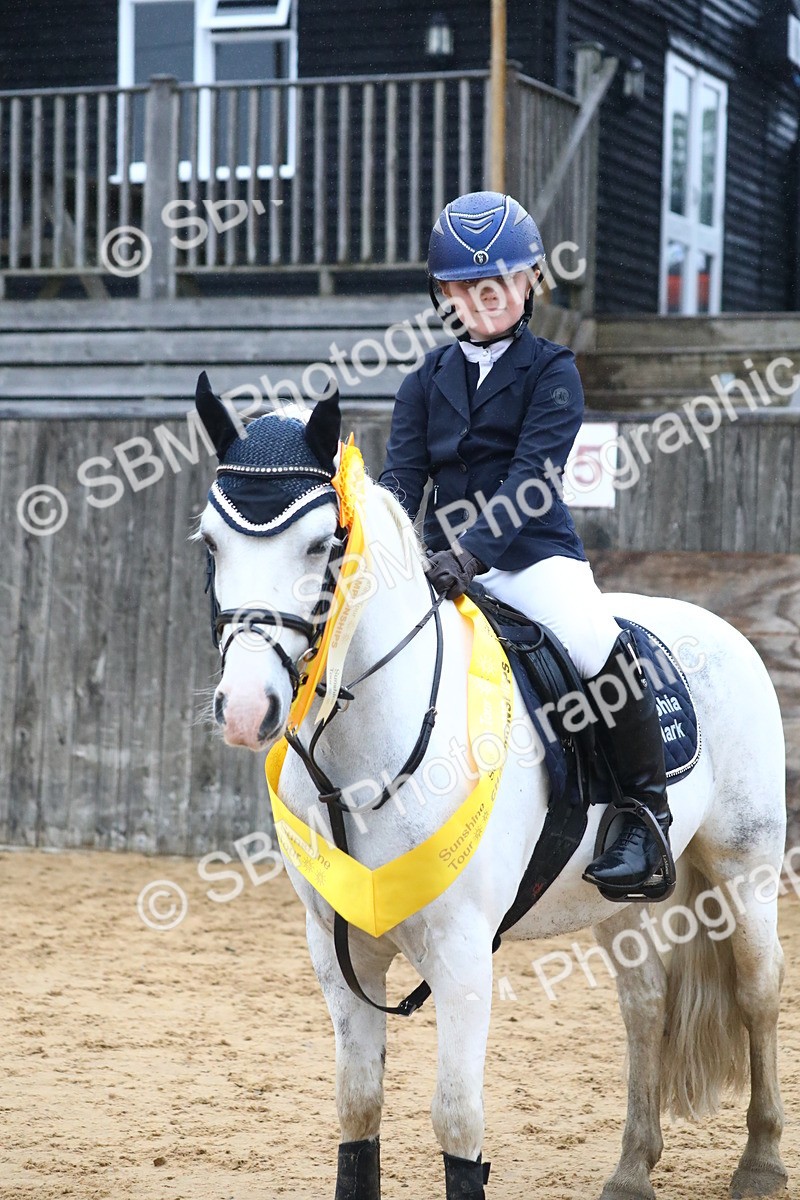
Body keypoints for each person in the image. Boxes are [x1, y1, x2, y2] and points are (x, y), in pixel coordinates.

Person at [378, 190, 671, 896]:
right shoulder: (423, 382)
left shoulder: (552, 369)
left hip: (532, 559)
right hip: (442, 567)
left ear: (531, 280)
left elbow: (532, 480)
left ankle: (644, 814)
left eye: (501, 281)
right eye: (465, 286)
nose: (484, 298)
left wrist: (470, 555)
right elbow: (400, 482)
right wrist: (386, 554)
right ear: (442, 292)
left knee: (598, 643)